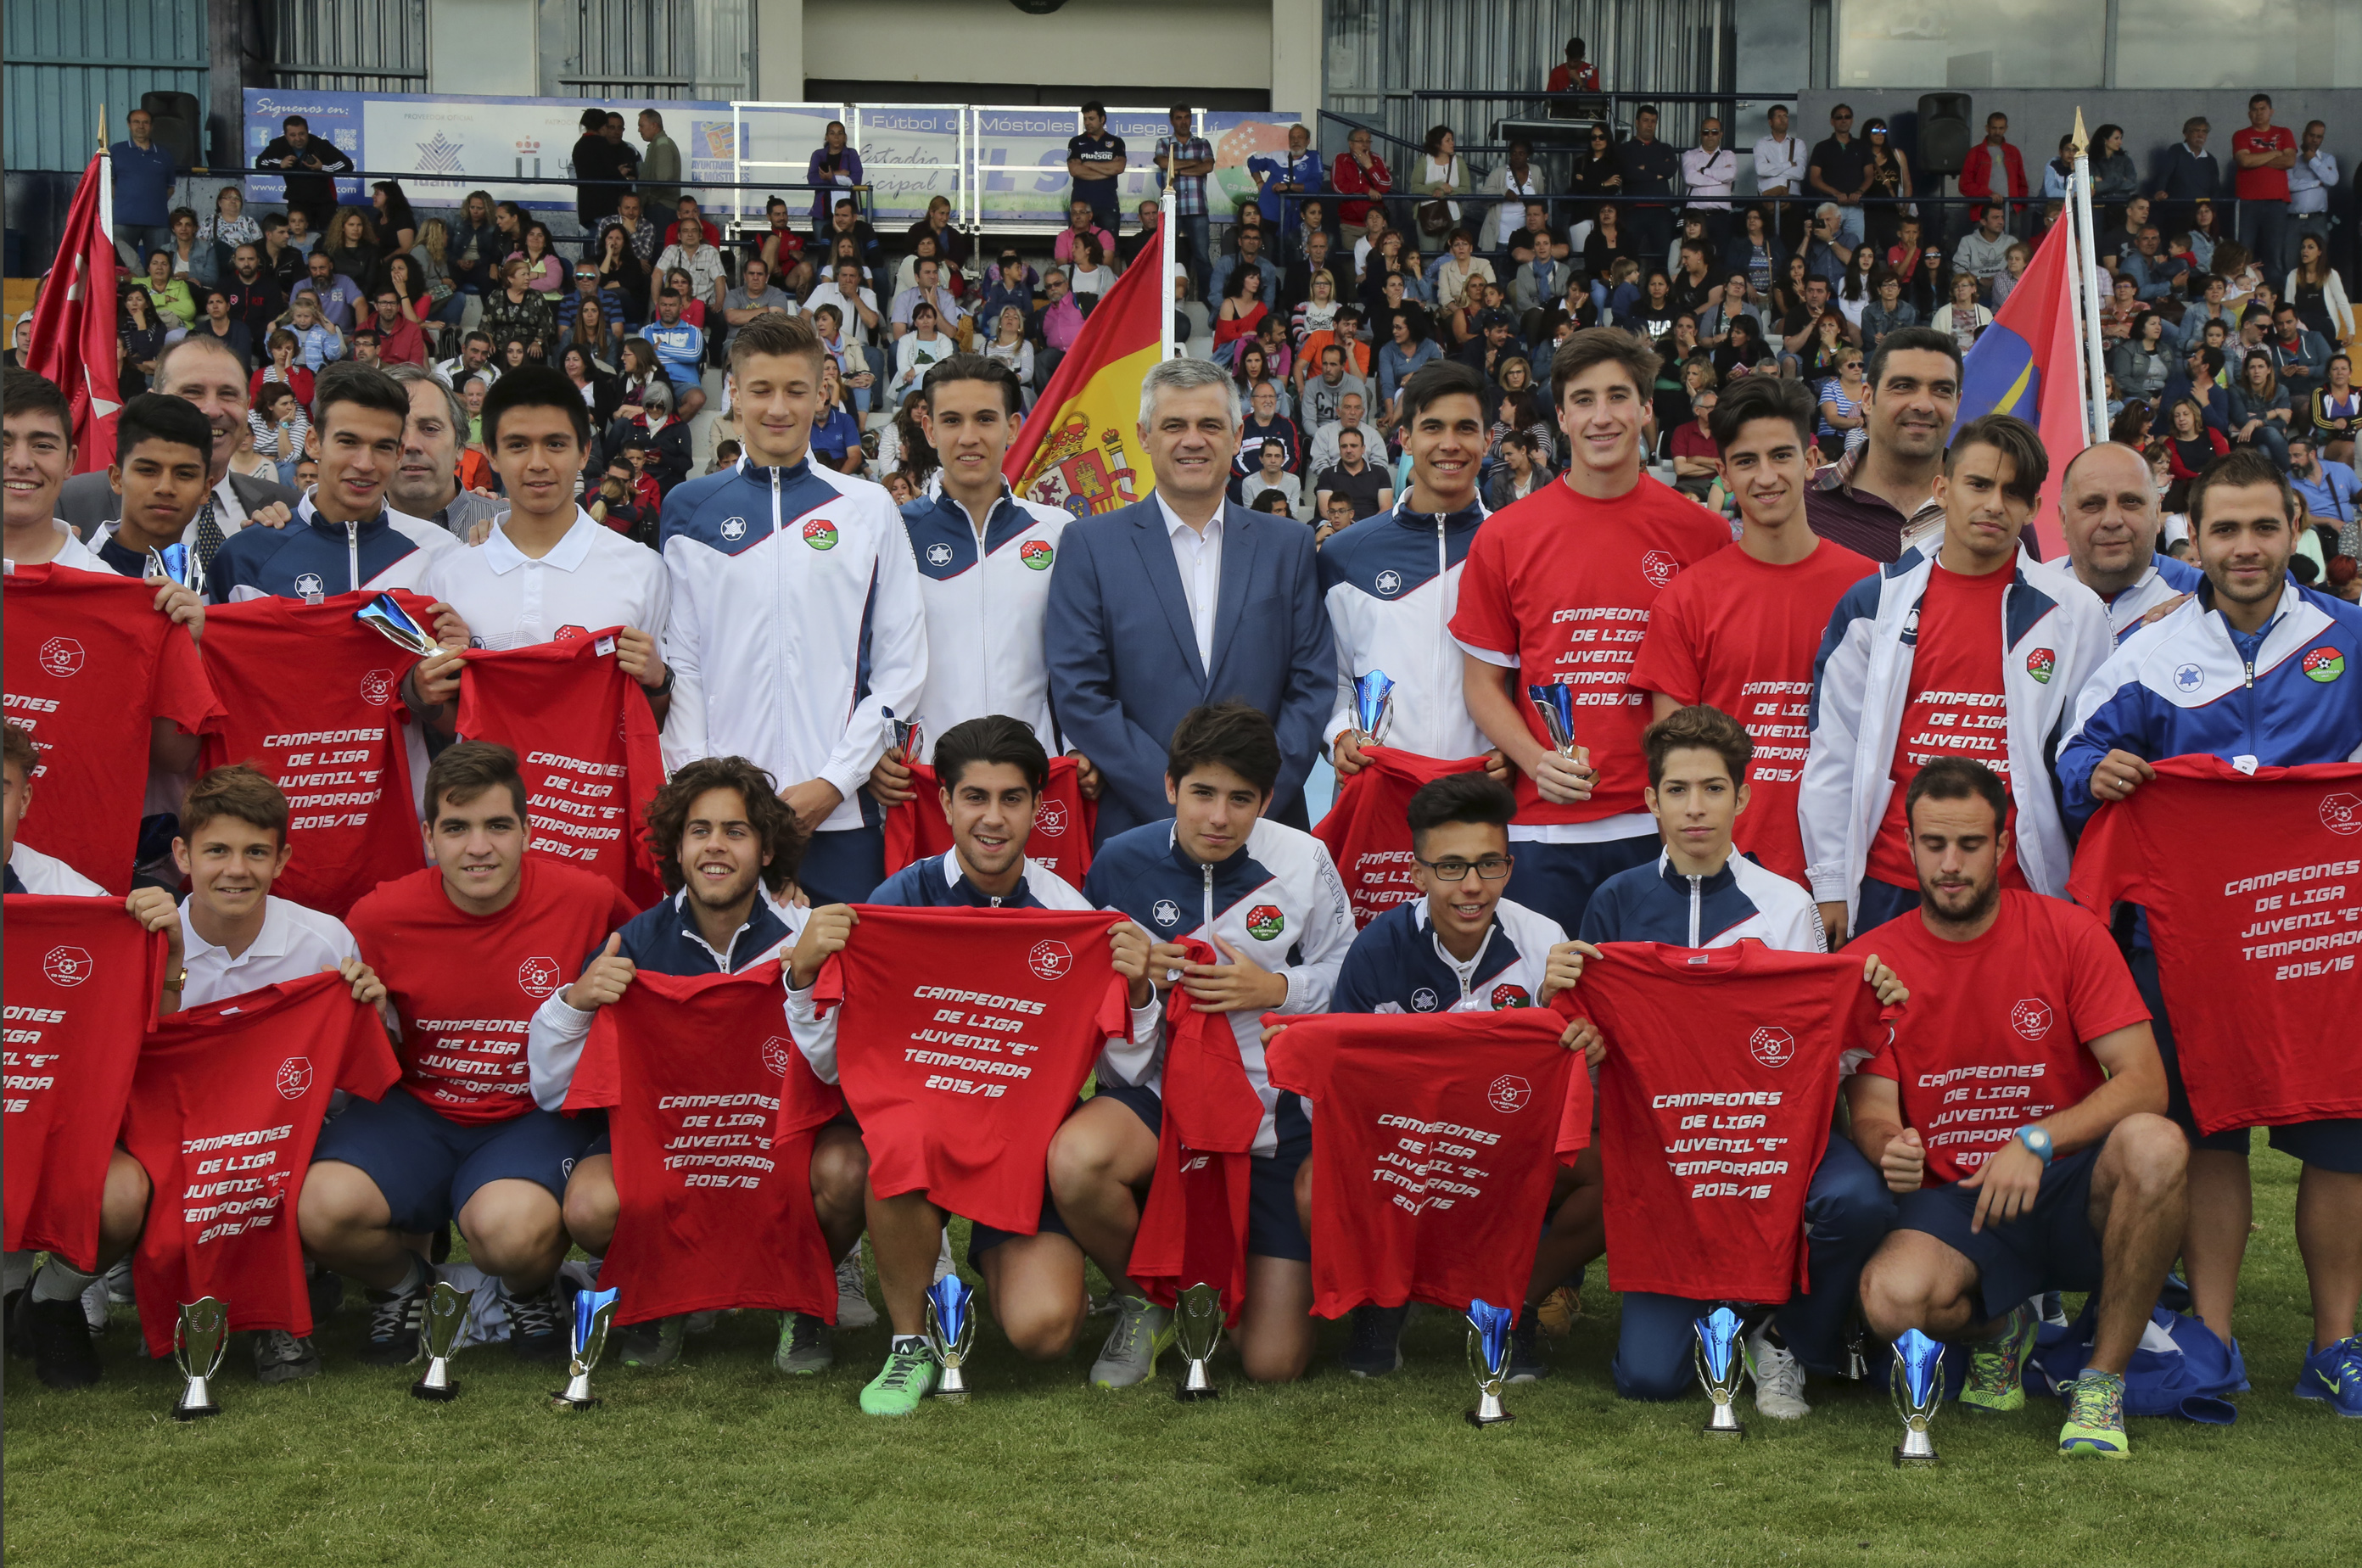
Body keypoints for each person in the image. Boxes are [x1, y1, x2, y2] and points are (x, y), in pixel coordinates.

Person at [2059, 448, 2362, 1401]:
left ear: (2296, 531)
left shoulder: (2351, 639)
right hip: (2191, 948)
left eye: (2265, 527)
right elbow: (2074, 756)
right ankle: (2214, 1339)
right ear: (2193, 540)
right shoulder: (2148, 655)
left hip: (2322, 942)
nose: (2246, 547)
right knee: (2210, 1134)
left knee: (2343, 1140)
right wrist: (2098, 775)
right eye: (2225, 530)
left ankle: (2336, 1347)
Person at [782, 715, 1155, 1409]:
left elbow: (1126, 1069)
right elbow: (835, 1066)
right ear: (946, 802)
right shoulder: (895, 903)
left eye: (1012, 799)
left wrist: (1138, 991)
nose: (993, 818)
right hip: (920, 1131)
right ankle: (908, 1345)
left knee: (1045, 1331)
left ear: (1038, 807)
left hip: (1022, 1140)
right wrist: (803, 980)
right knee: (898, 1132)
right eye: (975, 797)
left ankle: (1014, 1272)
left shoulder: (1069, 913)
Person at [1542, 705, 1906, 1409]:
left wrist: (1869, 1001)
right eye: (1677, 790)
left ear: (1742, 798)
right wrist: (1557, 1003)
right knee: (1650, 1381)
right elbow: (1588, 1043)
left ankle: (1787, 1334)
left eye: (1713, 789)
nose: (1695, 808)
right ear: (1651, 800)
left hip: (1769, 1139)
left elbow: (1828, 1048)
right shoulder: (1614, 902)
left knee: (1856, 1201)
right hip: (1664, 1152)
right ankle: (1729, 1307)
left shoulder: (1786, 905)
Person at [1845, 755, 2184, 1458]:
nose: (1950, 864)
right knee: (1889, 1300)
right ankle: (2001, 1332)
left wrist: (2035, 1140)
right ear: (1907, 845)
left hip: (2065, 1181)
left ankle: (2101, 1383)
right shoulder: (1873, 961)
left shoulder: (2070, 932)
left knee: (2156, 1143)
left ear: (2003, 844)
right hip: (1955, 1200)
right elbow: (1873, 1107)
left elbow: (2146, 1082)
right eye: (1934, 843)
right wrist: (1888, 1146)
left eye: (1970, 844)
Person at [1040, 701, 1352, 1387]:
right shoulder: (1121, 862)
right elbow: (1099, 1020)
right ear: (1170, 787)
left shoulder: (1304, 860)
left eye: (1241, 799)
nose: (1219, 817)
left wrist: (1275, 988)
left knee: (1271, 1363)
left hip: (1272, 1114)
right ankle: (1149, 1299)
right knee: (1077, 1160)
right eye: (1202, 793)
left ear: (1266, 800)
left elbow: (1347, 974)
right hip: (1159, 1096)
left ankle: (1220, 1297)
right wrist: (1141, 991)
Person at [294, 742, 635, 1365]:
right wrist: (369, 1020)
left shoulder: (587, 899)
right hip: (416, 1111)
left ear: (527, 831)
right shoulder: (379, 915)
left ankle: (531, 1289)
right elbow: (366, 1048)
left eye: (497, 825)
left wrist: (780, 903)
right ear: (428, 838)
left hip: (531, 1115)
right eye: (456, 828)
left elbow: (657, 959)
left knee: (509, 1234)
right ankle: (406, 1287)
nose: (479, 847)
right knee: (320, 1209)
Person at [524, 753, 863, 1369]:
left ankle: (802, 1301)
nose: (715, 847)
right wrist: (575, 1003)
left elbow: (843, 1073)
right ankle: (667, 1298)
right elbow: (550, 1090)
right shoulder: (631, 945)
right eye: (699, 830)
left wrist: (804, 980)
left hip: (781, 1143)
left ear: (766, 850)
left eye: (736, 831)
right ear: (677, 849)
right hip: (670, 1144)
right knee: (591, 1204)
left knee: (848, 1173)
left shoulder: (805, 935)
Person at [1450, 328, 1731, 938]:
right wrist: (1535, 761)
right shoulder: (1505, 535)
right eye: (1583, 400)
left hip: (1661, 824)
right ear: (1561, 417)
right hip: (1545, 825)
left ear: (1646, 408)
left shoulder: (1702, 534)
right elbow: (1481, 685)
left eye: (1618, 396)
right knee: (1552, 994)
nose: (1602, 417)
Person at [1799, 413, 2110, 949]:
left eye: (2013, 492)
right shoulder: (1874, 603)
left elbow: (2086, 754)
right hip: (1893, 880)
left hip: (2020, 881)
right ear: (1942, 489)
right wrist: (1829, 882)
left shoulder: (2075, 613)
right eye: (1979, 484)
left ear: (2034, 508)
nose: (1994, 504)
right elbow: (1835, 750)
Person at [657, 313, 922, 904]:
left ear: (822, 392)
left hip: (842, 817)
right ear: (734, 392)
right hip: (726, 826)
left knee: (844, 964)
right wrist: (707, 797)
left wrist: (836, 781)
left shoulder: (869, 507)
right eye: (761, 390)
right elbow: (684, 666)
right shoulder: (689, 508)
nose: (778, 408)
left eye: (795, 390)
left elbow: (901, 665)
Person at [1044, 357, 1332, 843]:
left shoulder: (1289, 545)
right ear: (1144, 436)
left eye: (1210, 425)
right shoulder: (1089, 545)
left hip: (1268, 828)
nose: (1193, 440)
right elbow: (1080, 691)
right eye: (1174, 425)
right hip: (1138, 827)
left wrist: (1250, 797)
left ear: (1237, 437)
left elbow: (1312, 684)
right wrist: (1176, 799)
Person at [1632, 376, 1873, 888]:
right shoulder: (1686, 599)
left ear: (1811, 461)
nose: (1766, 477)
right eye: (1746, 461)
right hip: (1729, 877)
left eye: (1781, 456)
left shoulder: (1870, 590)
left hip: (1851, 868)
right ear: (1723, 473)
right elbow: (1671, 763)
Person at [878, 354, 1077, 757]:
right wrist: (877, 747)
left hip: (1033, 771)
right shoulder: (893, 531)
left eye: (985, 419)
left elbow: (1081, 660)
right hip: (928, 774)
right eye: (952, 421)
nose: (969, 437)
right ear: (930, 430)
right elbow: (871, 658)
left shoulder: (1058, 531)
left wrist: (1076, 747)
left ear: (1012, 428)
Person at [1317, 360, 1497, 770]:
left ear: (1487, 440)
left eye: (1465, 428)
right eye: (1432, 427)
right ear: (1406, 439)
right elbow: (1330, 675)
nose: (1449, 444)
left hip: (1482, 788)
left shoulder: (1515, 548)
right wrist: (1340, 733)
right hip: (1379, 780)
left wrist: (1515, 746)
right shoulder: (1345, 554)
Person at [204, 361, 460, 602]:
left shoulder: (441, 552)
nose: (365, 464)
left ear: (399, 455)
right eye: (348, 442)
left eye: (383, 446)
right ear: (313, 443)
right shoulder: (246, 554)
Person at [57, 334, 301, 563]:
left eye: (228, 395)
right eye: (192, 392)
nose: (212, 410)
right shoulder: (69, 504)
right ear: (154, 400)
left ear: (247, 407)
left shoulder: (290, 509)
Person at [1805, 327, 1962, 562]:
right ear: (1867, 399)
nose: (1923, 405)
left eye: (1942, 390)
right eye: (1903, 386)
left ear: (1957, 404)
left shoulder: (1994, 508)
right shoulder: (1803, 501)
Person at [2052, 440, 2204, 642]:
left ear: (2156, 513)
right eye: (2092, 504)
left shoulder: (2205, 597)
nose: (2112, 520)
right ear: (2064, 520)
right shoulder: (2026, 596)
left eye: (2130, 501)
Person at [255, 115, 355, 243]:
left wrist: (322, 167)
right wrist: (280, 164)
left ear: (307, 132)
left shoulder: (320, 145)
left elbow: (347, 164)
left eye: (302, 134)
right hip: (297, 201)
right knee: (300, 238)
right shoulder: (278, 145)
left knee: (329, 238)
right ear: (285, 135)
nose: (298, 138)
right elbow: (260, 163)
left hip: (324, 201)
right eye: (293, 135)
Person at [2231, 95, 2298, 278]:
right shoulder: (2241, 135)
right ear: (2249, 114)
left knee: (2275, 256)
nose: (2258, 113)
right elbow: (2244, 161)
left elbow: (2289, 161)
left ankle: (2274, 294)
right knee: (2243, 254)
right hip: (2247, 203)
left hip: (2276, 203)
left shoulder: (2284, 132)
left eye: (2263, 109)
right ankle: (2243, 292)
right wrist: (2275, 153)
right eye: (2254, 109)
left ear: (2271, 112)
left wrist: (2256, 158)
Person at [1153, 105, 1216, 283]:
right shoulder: (1164, 143)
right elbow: (1164, 163)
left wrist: (1177, 170)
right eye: (1179, 118)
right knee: (1166, 256)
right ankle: (1165, 298)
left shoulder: (1202, 143)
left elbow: (1207, 166)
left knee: (1203, 258)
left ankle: (1207, 300)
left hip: (1197, 209)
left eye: (1187, 117)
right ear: (1172, 121)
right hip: (1172, 209)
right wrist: (1194, 163)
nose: (1183, 121)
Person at [1805, 104, 1872, 252]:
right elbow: (1814, 178)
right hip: (1829, 206)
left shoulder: (1862, 146)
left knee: (1857, 250)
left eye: (1847, 117)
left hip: (1855, 207)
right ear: (1832, 121)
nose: (1843, 120)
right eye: (1839, 117)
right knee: (1824, 247)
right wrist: (1835, 193)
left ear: (1852, 120)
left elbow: (1869, 175)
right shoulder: (1822, 147)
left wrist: (1859, 192)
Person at [1958, 112, 2028, 237]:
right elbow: (1964, 185)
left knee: (2013, 246)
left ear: (2006, 129)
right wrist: (1988, 194)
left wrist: (2019, 205)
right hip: (1983, 211)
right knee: (1983, 245)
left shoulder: (2014, 152)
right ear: (1987, 128)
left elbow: (2021, 182)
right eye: (1994, 128)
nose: (1997, 132)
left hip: (2011, 211)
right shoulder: (1975, 153)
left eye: (2001, 128)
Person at [1066, 102, 1128, 237]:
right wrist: (1108, 171)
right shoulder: (1076, 142)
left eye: (1091, 119)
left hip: (1107, 203)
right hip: (1081, 205)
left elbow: (1119, 167)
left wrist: (1089, 164)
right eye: (1085, 119)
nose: (1087, 123)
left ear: (1102, 119)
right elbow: (1075, 171)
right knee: (1078, 244)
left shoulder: (1116, 142)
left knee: (1109, 246)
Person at [2228, 350, 2293, 472]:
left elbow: (2282, 423)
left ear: (2269, 370)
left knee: (2264, 450)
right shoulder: (2236, 390)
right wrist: (2275, 412)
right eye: (2252, 367)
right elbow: (2242, 421)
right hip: (2245, 438)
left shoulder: (2281, 391)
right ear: (2246, 371)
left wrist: (2255, 422)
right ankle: (2293, 473)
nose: (2256, 371)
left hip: (2272, 440)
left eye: (2261, 366)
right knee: (2270, 432)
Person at [804, 121, 863, 238]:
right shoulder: (818, 154)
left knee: (847, 245)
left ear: (845, 137)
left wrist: (830, 177)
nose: (836, 137)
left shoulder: (851, 154)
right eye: (832, 133)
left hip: (846, 214)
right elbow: (812, 179)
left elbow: (856, 180)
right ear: (826, 137)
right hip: (822, 213)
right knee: (824, 246)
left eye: (840, 133)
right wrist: (837, 175)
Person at [636, 109, 681, 214]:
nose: (639, 130)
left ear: (654, 125)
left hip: (661, 207)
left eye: (641, 126)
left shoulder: (662, 145)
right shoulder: (658, 144)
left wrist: (651, 199)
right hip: (659, 206)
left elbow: (663, 179)